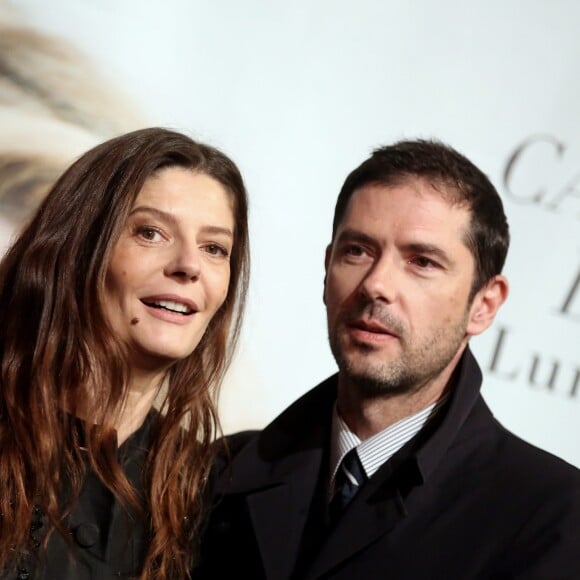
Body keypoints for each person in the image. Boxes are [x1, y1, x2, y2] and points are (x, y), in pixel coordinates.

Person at [197, 139, 580, 579]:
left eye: (421, 262)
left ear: (484, 305)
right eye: (357, 251)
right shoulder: (220, 473)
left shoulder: (553, 517)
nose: (376, 284)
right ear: (327, 271)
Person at [0, 127, 249, 579]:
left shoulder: (211, 498)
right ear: (76, 248)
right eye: (150, 232)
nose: (189, 266)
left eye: (214, 248)